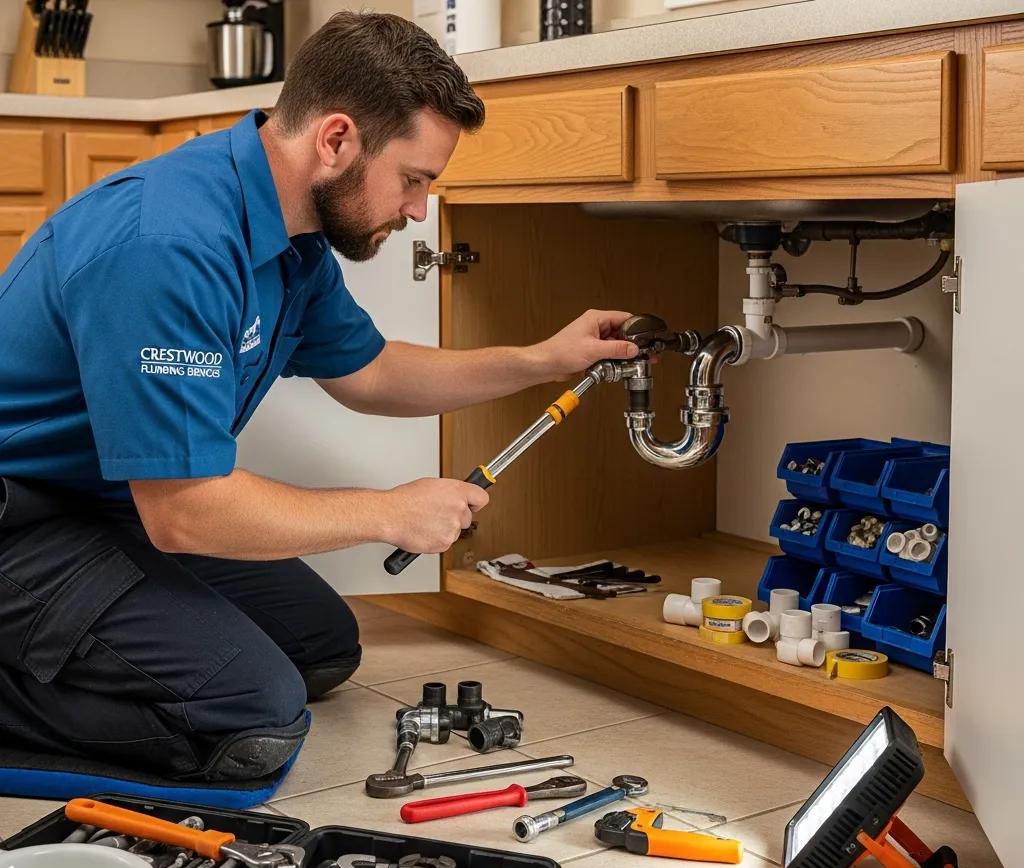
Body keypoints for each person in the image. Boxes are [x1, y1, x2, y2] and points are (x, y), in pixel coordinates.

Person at [0, 12, 637, 783]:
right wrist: (386, 511)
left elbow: (371, 373)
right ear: (336, 140)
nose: (416, 210)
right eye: (413, 179)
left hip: (108, 505)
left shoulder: (292, 236)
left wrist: (544, 359)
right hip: (25, 523)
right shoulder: (169, 241)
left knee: (321, 647)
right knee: (251, 719)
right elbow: (185, 511)